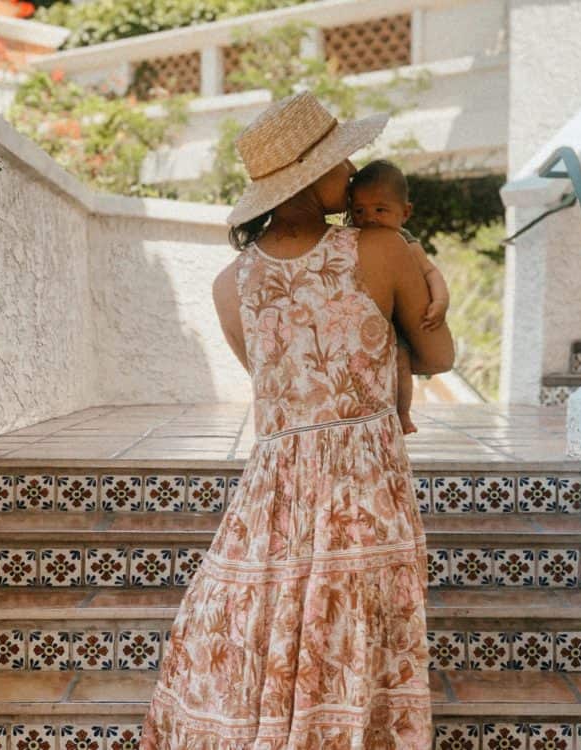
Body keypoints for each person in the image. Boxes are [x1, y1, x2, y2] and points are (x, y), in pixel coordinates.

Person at [140, 91, 454, 750]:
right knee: (357, 622)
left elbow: (275, 387)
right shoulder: (382, 249)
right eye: (342, 163)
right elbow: (439, 355)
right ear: (314, 179)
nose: (352, 173)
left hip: (276, 488)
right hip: (364, 482)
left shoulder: (232, 282)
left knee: (277, 611)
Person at [349, 160, 450, 436]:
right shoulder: (351, 240)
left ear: (405, 213)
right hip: (366, 320)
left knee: (400, 363)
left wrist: (440, 303)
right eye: (359, 210)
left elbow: (431, 272)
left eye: (380, 209)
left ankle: (402, 413)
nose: (369, 217)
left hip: (398, 322)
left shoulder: (404, 241)